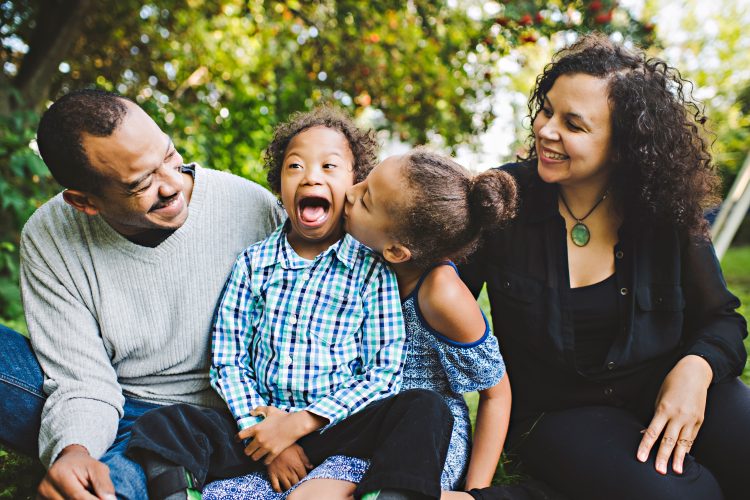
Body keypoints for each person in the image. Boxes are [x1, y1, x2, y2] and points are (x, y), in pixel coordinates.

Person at [460, 33, 750, 500]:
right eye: (547, 110)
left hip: (668, 384)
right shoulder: (502, 201)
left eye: (573, 124)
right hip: (559, 413)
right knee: (689, 497)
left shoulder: (665, 209)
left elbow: (723, 319)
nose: (546, 131)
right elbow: (435, 309)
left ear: (622, 146)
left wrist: (696, 369)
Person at [125, 108, 455, 500]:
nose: (311, 176)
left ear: (353, 186)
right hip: (257, 429)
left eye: (329, 166)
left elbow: (383, 371)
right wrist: (269, 438)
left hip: (338, 428)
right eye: (295, 165)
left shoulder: (372, 269)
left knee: (425, 407)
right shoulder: (253, 264)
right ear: (279, 184)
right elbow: (229, 360)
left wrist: (300, 424)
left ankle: (391, 495)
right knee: (166, 423)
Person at [0, 88, 284, 500]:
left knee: (120, 479)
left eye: (169, 157)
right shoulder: (51, 236)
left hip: (215, 421)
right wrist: (72, 449)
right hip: (108, 400)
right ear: (84, 202)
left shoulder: (251, 209)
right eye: (141, 183)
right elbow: (81, 379)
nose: (172, 185)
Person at [204, 149, 518, 500]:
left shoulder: (441, 292)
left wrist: (477, 490)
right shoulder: (354, 253)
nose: (351, 192)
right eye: (364, 181)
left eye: (366, 199)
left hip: (421, 436)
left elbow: (496, 392)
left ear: (397, 251)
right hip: (356, 420)